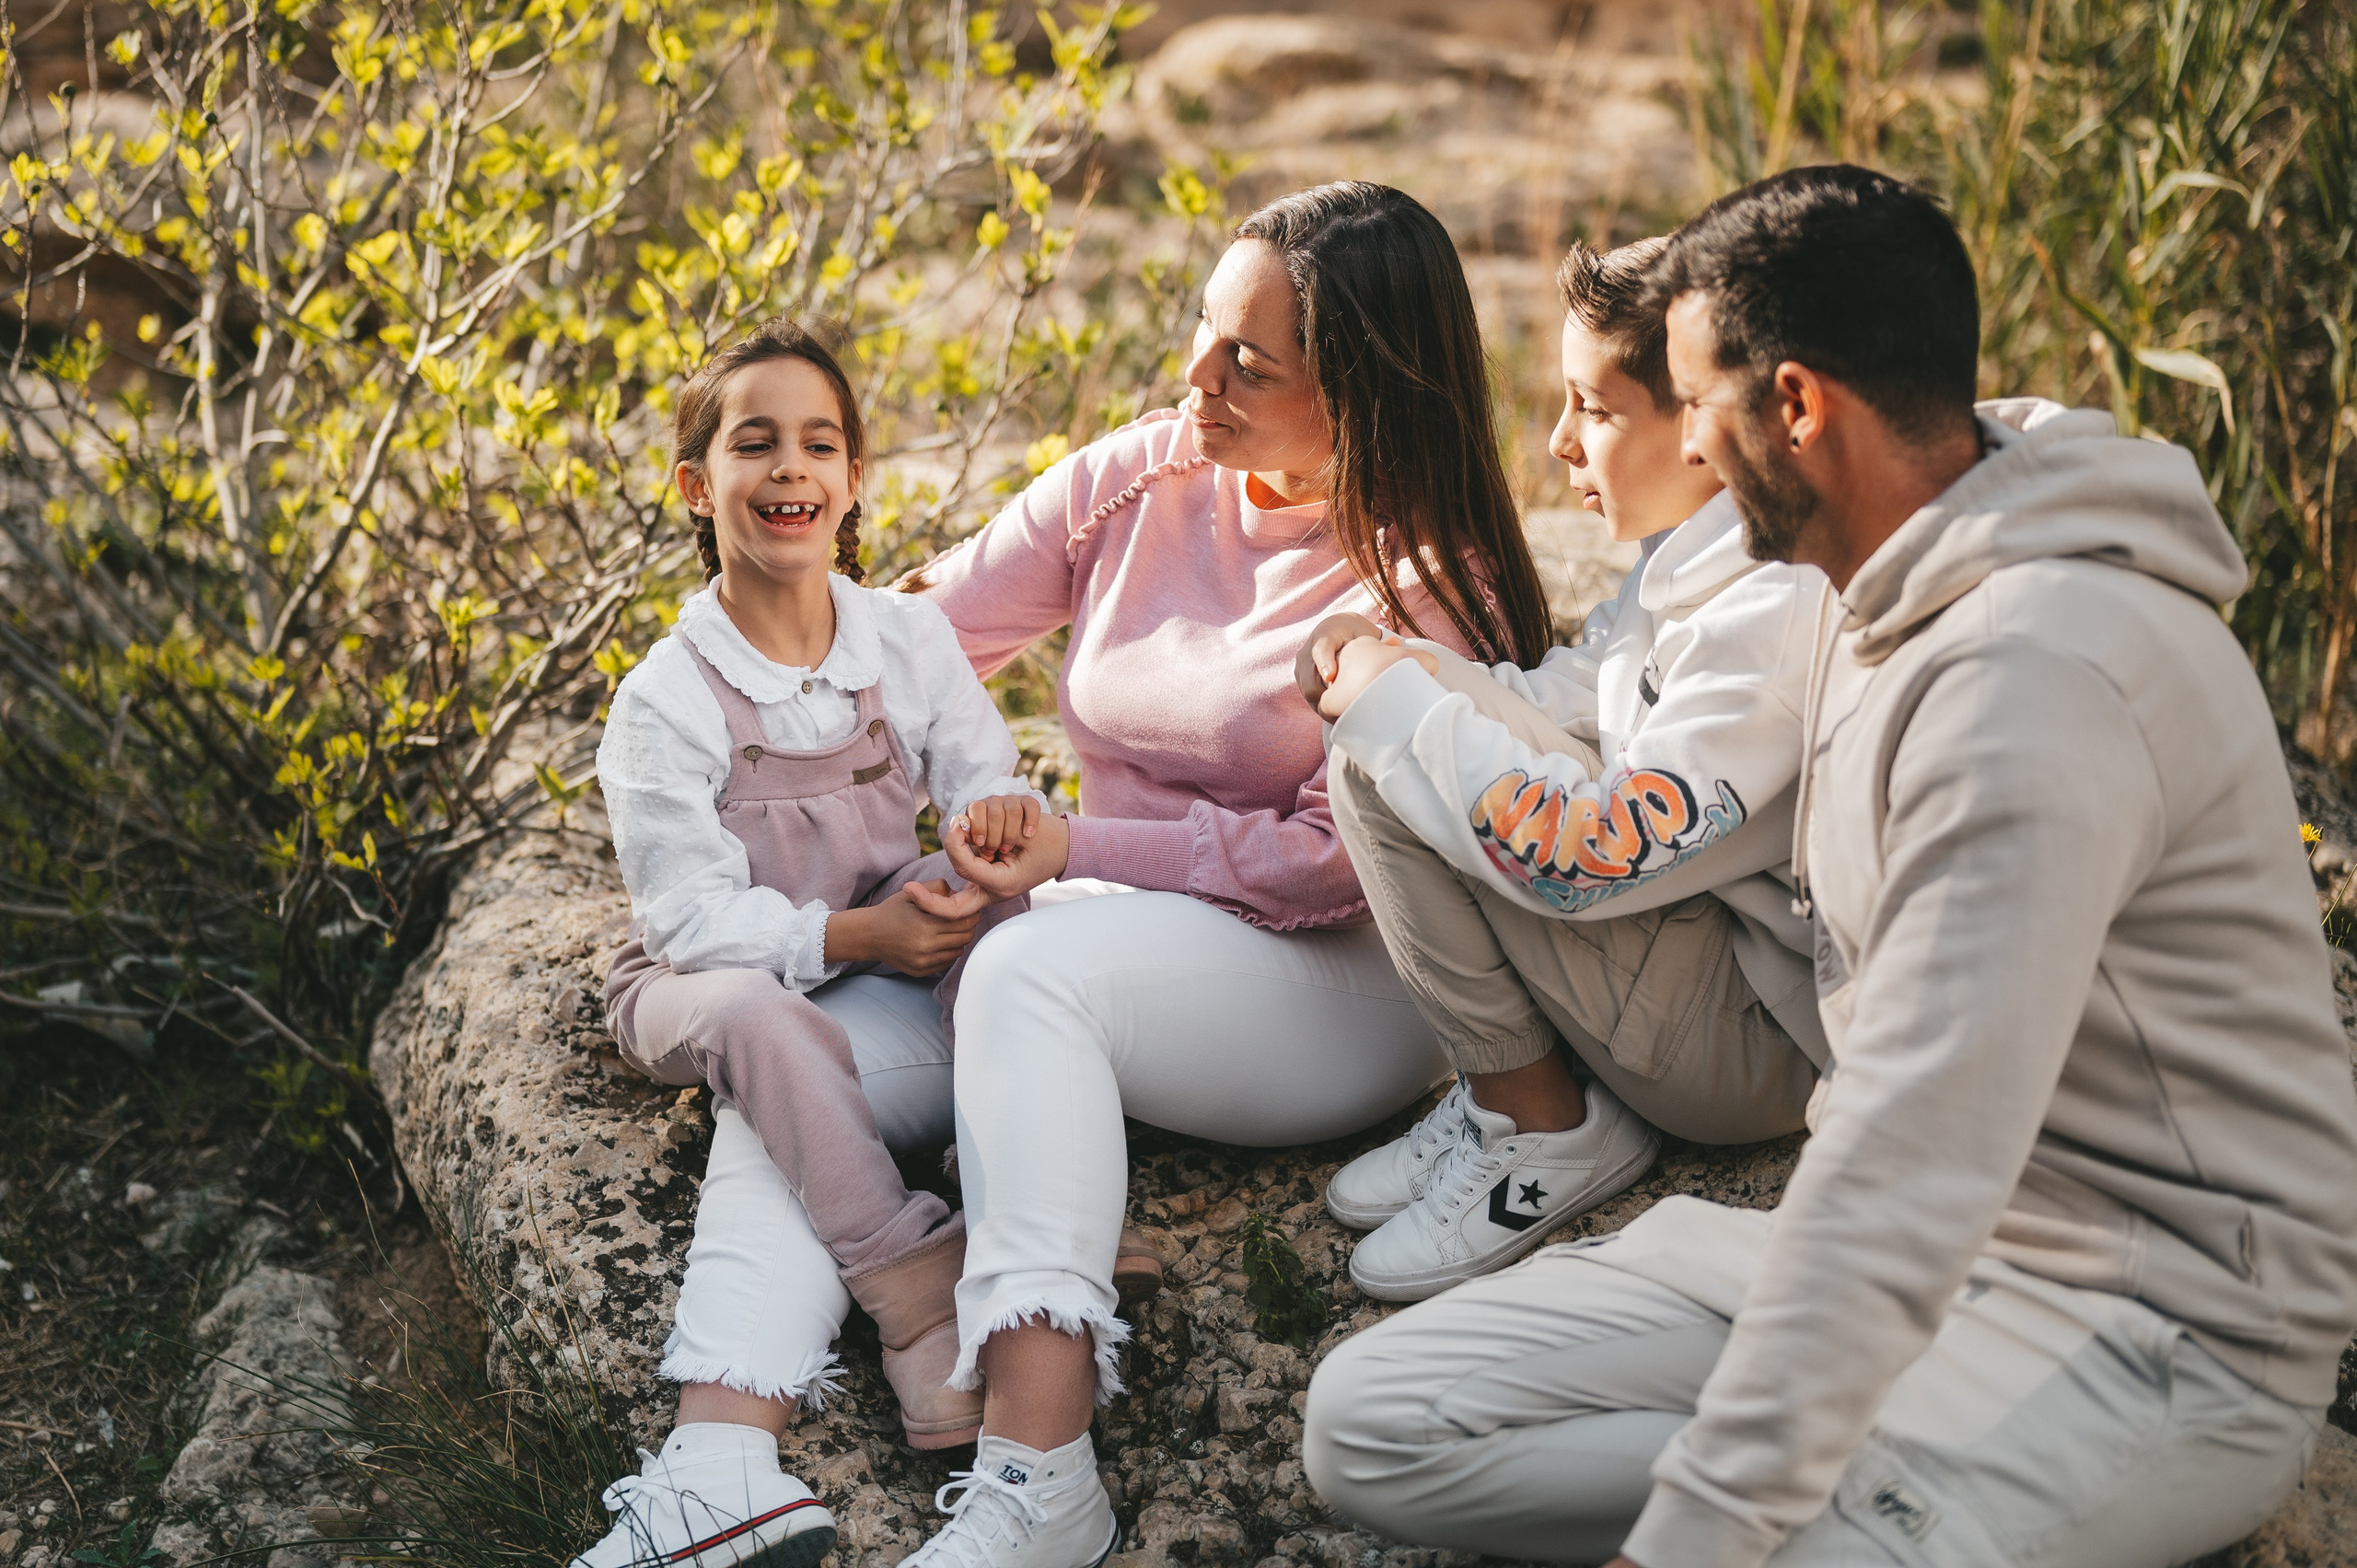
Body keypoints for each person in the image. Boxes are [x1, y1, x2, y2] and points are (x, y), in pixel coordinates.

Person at [1303, 165, 2357, 1567]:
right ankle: (1842, 1470)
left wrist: (1701, 1531)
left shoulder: (2029, 676)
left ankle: (1841, 1495)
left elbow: (1916, 1153)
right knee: (1369, 1420)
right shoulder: (1873, 598)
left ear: (1796, 407)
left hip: (2147, 1330)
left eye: (1699, 406)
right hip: (1897, 1266)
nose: (1687, 448)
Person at [883, 181, 1557, 1568]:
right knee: (830, 1039)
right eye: (1204, 330)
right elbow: (916, 644)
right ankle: (721, 1449)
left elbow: (1325, 864)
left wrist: (1071, 850)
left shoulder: (1433, 578)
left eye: (1251, 361)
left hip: (1342, 985)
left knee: (1023, 969)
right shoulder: (1142, 474)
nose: (1200, 376)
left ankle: (1040, 1468)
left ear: (1367, 394)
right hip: (1118, 939)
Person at [573, 319, 1050, 1568]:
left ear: (851, 483)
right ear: (697, 482)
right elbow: (687, 922)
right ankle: (911, 1280)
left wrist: (993, 835)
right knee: (764, 1030)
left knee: (1003, 948)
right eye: (755, 441)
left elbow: (990, 779)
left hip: (880, 978)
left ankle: (715, 1469)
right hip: (702, 985)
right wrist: (858, 932)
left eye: (820, 442)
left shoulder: (903, 640)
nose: (791, 466)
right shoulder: (667, 694)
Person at [1296, 235, 1828, 1304]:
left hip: (1752, 1045)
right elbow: (1586, 692)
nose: (1556, 443)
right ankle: (1517, 1088)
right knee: (1392, 721)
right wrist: (1411, 663)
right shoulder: (1694, 556)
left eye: (1593, 408)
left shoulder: (1772, 612)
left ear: (1700, 427)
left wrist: (1402, 709)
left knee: (1390, 747)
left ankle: (1545, 1122)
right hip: (1704, 949)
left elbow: (1590, 862)